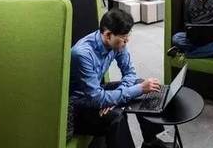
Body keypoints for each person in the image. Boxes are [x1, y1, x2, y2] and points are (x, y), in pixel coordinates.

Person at [69, 9, 169, 148]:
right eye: (123, 37)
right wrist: (112, 98)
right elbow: (96, 98)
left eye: (128, 35)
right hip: (79, 106)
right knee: (117, 115)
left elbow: (130, 73)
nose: (127, 40)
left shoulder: (117, 43)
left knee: (143, 85)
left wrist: (113, 99)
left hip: (96, 93)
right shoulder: (82, 54)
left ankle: (152, 143)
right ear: (108, 35)